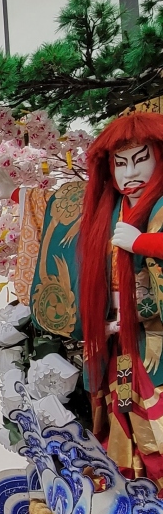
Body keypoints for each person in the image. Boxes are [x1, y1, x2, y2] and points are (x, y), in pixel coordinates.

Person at [79, 110, 163, 483]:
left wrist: (143, 242)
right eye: (120, 163)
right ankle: (132, 488)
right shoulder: (107, 211)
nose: (130, 174)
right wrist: (19, 196)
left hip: (156, 337)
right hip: (120, 340)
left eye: (141, 160)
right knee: (122, 411)